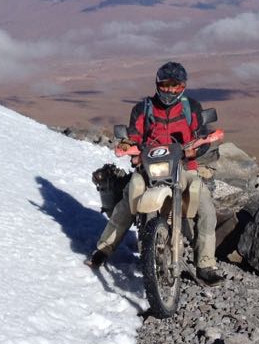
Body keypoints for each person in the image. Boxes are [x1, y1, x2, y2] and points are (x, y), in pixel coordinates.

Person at [86, 61, 223, 284]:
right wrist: (129, 148)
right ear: (158, 84)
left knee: (206, 209)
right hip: (150, 168)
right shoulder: (143, 109)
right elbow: (133, 137)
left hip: (183, 167)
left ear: (183, 86)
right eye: (165, 85)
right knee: (128, 201)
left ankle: (206, 264)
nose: (169, 90)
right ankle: (103, 250)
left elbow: (202, 136)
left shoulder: (192, 108)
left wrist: (195, 151)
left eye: (175, 86)